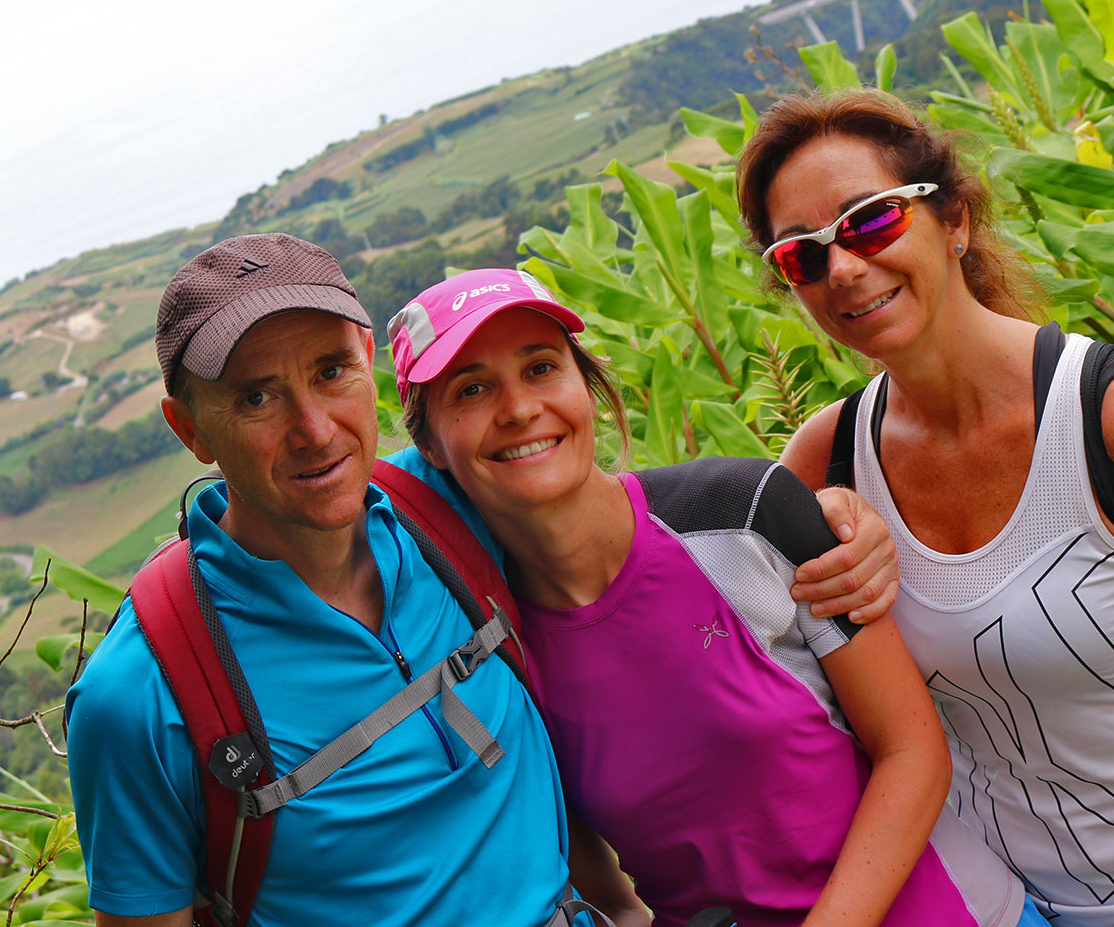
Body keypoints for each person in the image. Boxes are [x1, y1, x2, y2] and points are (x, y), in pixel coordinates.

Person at [64, 234, 899, 926]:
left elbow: (599, 495)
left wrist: (823, 508)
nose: (315, 431)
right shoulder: (146, 695)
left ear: (367, 367)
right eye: (256, 399)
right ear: (189, 427)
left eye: (328, 373)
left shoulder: (440, 506)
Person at [735, 88, 1114, 927]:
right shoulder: (823, 462)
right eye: (800, 257)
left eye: (870, 221)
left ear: (953, 219)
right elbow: (806, 718)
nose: (842, 267)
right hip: (1009, 913)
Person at [390, 267, 1045, 927]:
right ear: (429, 446)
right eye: (471, 389)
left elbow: (912, 750)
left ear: (585, 389)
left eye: (540, 368)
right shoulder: (496, 645)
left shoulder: (743, 512)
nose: (519, 409)